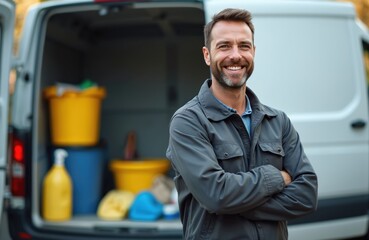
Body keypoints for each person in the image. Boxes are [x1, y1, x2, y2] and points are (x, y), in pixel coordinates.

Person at [166, 8, 318, 240]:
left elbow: (307, 195)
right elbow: (216, 195)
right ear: (207, 55)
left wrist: (233, 205)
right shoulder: (188, 122)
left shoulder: (278, 121)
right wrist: (278, 177)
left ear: (253, 52)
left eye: (244, 46)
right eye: (224, 46)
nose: (235, 55)